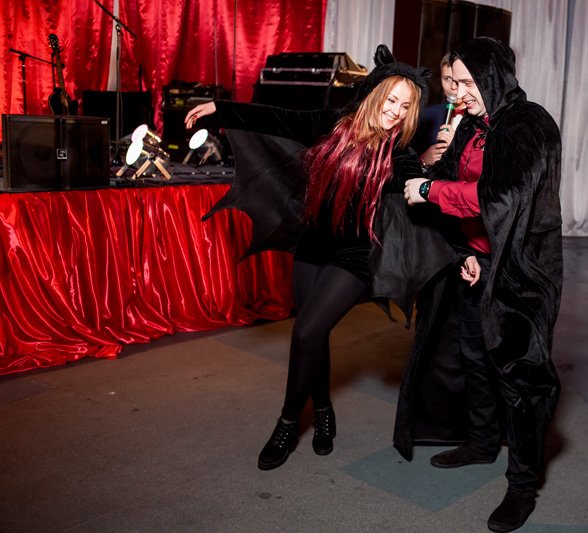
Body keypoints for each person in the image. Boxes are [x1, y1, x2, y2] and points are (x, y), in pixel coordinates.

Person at [184, 46, 452, 471]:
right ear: (374, 96)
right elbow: (278, 117)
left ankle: (288, 423)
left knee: (306, 331)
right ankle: (324, 410)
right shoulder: (333, 125)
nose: (397, 112)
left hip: (357, 255)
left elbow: (420, 190)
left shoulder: (398, 155)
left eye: (406, 107)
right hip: (312, 243)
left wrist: (436, 170)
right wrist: (221, 108)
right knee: (314, 334)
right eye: (392, 101)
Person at [399, 37, 563, 533]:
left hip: (521, 270)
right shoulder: (471, 124)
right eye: (454, 83)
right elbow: (451, 177)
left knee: (520, 379)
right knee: (474, 355)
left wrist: (430, 189)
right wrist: (467, 249)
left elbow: (503, 196)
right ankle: (482, 440)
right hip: (479, 259)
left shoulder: (528, 123)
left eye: (468, 83)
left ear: (495, 78)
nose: (458, 92)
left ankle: (522, 486)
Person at [413, 53, 464, 168]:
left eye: (459, 80)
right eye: (447, 79)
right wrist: (423, 160)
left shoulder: (484, 120)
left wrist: (456, 148)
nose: (452, 87)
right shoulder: (428, 115)